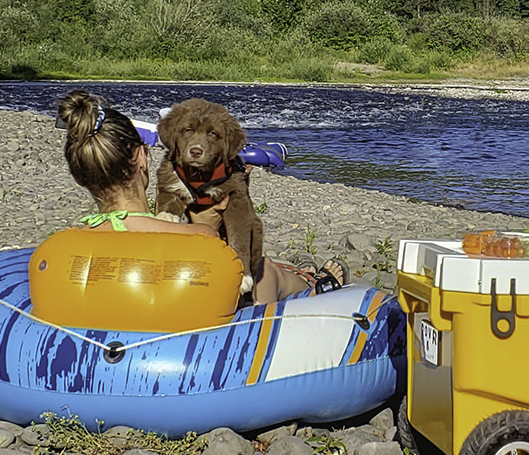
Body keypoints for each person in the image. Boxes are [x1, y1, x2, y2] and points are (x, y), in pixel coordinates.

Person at [56, 90, 345, 302]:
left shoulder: (66, 245)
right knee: (265, 270)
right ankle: (313, 284)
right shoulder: (198, 239)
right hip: (210, 318)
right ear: (141, 157)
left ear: (79, 176)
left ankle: (301, 276)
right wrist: (204, 226)